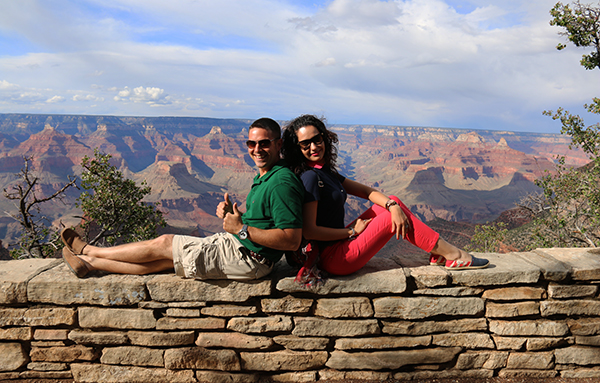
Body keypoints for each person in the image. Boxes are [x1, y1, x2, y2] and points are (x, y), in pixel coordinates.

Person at [61, 117, 304, 280]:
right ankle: (90, 263)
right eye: (251, 143)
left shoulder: (281, 182)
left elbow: (292, 240)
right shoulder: (266, 175)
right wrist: (234, 215)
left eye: (264, 143)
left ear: (278, 144)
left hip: (248, 258)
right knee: (162, 262)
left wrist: (241, 229)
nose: (256, 149)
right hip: (241, 250)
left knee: (164, 243)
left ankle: (88, 250)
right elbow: (265, 221)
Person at [281, 114, 489, 280]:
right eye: (305, 144)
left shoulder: (323, 171)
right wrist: (351, 231)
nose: (313, 147)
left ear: (324, 137)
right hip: (333, 258)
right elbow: (310, 230)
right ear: (297, 148)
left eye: (317, 139)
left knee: (392, 200)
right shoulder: (310, 177)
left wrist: (392, 205)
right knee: (390, 218)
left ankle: (439, 252)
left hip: (340, 245)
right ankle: (453, 255)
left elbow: (366, 192)